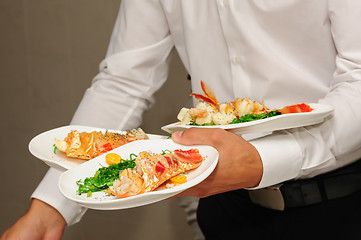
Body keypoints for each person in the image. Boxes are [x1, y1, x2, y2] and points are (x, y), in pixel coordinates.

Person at [2, 1, 361, 239]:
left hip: (341, 204)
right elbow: (125, 81)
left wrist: (264, 161)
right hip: (226, 210)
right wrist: (50, 208)